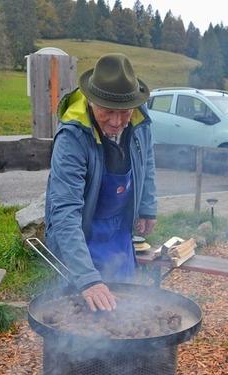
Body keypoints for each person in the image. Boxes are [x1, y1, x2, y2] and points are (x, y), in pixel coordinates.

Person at [45, 53, 157, 312]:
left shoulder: (140, 119)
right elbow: (64, 212)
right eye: (108, 112)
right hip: (83, 230)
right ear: (92, 101)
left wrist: (147, 206)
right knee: (83, 308)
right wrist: (87, 278)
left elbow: (147, 160)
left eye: (123, 112)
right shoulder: (72, 136)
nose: (117, 122)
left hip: (119, 231)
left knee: (125, 305)